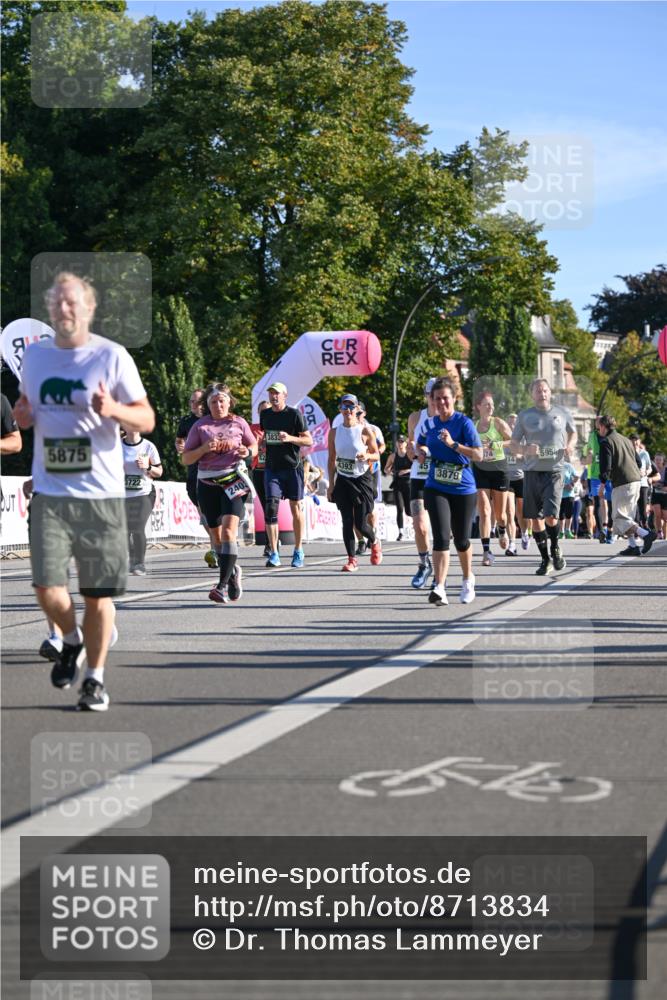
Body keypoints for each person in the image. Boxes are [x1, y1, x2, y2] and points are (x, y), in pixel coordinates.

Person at [14, 271, 154, 711]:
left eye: (72, 302)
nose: (64, 309)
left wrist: (112, 408)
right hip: (52, 493)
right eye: (57, 303)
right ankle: (70, 639)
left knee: (97, 593)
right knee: (47, 588)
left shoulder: (111, 357)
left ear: (89, 308)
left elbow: (145, 419)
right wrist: (22, 414)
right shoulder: (35, 359)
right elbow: (26, 411)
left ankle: (94, 678)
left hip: (101, 496)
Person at [182, 382, 257, 602]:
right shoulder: (200, 427)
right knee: (215, 537)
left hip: (234, 481)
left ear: (229, 402)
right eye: (213, 401)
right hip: (207, 484)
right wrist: (205, 449)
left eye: (222, 400)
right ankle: (233, 573)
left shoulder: (239, 423)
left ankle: (221, 586)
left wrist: (246, 451)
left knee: (228, 534)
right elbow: (186, 458)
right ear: (207, 405)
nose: (218, 404)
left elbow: (254, 447)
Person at [416, 377, 482, 606]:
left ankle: (467, 578)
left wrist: (453, 444)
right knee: (442, 538)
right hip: (436, 486)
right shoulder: (430, 424)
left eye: (445, 398)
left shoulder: (464, 424)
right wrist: (422, 451)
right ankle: (440, 587)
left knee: (462, 540)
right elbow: (420, 442)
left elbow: (479, 454)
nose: (441, 402)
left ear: (454, 399)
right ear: (432, 401)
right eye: (437, 399)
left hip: (463, 487)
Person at [510, 378, 577, 576]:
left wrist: (571, 445)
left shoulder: (562, 413)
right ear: (532, 394)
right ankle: (545, 559)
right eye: (538, 391)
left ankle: (555, 548)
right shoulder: (524, 416)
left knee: (550, 515)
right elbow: (513, 444)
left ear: (550, 393)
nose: (542, 393)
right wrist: (524, 448)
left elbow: (573, 433)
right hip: (532, 471)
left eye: (545, 390)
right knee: (536, 519)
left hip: (555, 470)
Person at [260, 381, 313, 568]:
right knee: (271, 507)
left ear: (284, 396)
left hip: (292, 468)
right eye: (271, 393)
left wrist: (290, 438)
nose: (273, 396)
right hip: (272, 468)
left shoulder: (294, 414)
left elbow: (308, 440)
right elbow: (265, 437)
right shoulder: (265, 415)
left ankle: (298, 549)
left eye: (277, 393)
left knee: (296, 507)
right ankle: (274, 552)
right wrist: (261, 444)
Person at [327, 393, 381, 572]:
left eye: (352, 407)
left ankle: (374, 541)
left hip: (362, 479)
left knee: (361, 524)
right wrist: (331, 485)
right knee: (346, 521)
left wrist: (367, 455)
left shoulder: (365, 431)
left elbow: (377, 454)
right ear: (340, 409)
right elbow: (331, 459)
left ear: (357, 409)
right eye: (345, 406)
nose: (348, 410)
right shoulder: (334, 432)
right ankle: (352, 559)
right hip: (343, 478)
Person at [597, 416, 656, 556]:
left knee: (618, 517)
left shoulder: (606, 442)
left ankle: (646, 534)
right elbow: (639, 462)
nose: (597, 430)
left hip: (623, 482)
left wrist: (602, 484)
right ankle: (633, 546)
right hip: (635, 481)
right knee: (627, 516)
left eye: (598, 426)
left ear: (603, 426)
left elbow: (606, 467)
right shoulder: (626, 440)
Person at [175, 388, 216, 567]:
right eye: (191, 401)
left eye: (197, 401)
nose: (194, 405)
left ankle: (217, 548)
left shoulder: (213, 419)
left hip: (213, 471)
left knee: (212, 511)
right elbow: (179, 440)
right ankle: (217, 542)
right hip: (194, 473)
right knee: (204, 513)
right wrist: (180, 445)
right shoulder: (186, 421)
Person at [472, 391, 512, 565]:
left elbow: (514, 441)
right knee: (484, 512)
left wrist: (497, 444)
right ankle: (486, 551)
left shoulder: (499, 423)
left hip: (499, 469)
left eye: (492, 404)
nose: (491, 407)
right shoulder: (473, 426)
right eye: (487, 404)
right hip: (480, 470)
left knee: (500, 514)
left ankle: (502, 530)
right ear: (478, 407)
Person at [407, 378, 437, 588]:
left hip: (441, 478)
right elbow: (410, 445)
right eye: (430, 396)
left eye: (438, 396)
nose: (434, 400)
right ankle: (424, 562)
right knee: (420, 526)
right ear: (426, 396)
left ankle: (441, 567)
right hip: (418, 477)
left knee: (440, 528)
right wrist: (412, 451)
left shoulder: (450, 420)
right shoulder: (416, 418)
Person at [121, 426, 163, 575]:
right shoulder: (116, 445)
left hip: (144, 493)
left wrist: (148, 466)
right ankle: (132, 559)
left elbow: (159, 472)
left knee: (137, 527)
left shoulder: (148, 446)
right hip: (122, 495)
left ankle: (139, 564)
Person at [355, 401, 385, 553]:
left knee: (370, 506)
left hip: (371, 471)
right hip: (353, 472)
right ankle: (360, 541)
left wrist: (373, 452)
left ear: (364, 414)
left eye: (359, 413)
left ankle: (372, 534)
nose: (356, 415)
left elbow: (382, 447)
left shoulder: (372, 429)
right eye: (355, 412)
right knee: (354, 507)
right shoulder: (348, 428)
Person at [505, 413, 529, 554]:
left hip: (520, 478)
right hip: (507, 479)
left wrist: (519, 456)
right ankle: (512, 544)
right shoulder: (503, 441)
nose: (512, 426)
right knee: (509, 511)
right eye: (510, 424)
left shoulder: (523, 440)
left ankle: (525, 533)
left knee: (521, 512)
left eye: (514, 424)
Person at [586, 418, 613, 544]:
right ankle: (601, 530)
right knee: (597, 502)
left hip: (609, 475)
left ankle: (610, 529)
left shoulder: (611, 436)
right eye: (597, 421)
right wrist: (588, 455)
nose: (599, 423)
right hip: (595, 476)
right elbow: (587, 453)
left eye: (601, 421)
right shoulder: (592, 436)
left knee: (610, 503)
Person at [250, 400, 271, 556]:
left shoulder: (277, 428)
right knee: (265, 506)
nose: (264, 414)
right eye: (262, 411)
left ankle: (272, 541)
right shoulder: (252, 429)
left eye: (267, 411)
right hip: (258, 470)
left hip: (274, 470)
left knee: (272, 505)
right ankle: (270, 541)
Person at [384, 435, 411, 540]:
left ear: (406, 443)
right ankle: (401, 532)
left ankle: (419, 521)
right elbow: (386, 469)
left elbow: (417, 468)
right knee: (399, 508)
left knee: (409, 511)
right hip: (397, 484)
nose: (400, 444)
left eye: (402, 442)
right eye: (398, 442)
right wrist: (389, 471)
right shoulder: (393, 456)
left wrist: (406, 471)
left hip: (408, 484)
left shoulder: (410, 455)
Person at [630, 434, 652, 528]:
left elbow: (650, 468)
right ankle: (636, 528)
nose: (635, 442)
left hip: (643, 483)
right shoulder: (628, 453)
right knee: (633, 507)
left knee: (642, 507)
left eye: (636, 440)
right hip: (632, 483)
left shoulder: (644, 453)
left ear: (639, 442)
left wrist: (646, 473)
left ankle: (645, 526)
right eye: (632, 440)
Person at [558, 460, 579, 539]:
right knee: (560, 514)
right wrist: (563, 486)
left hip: (569, 494)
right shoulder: (554, 466)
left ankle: (568, 530)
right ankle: (561, 532)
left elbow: (576, 476)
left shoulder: (568, 466)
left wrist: (571, 484)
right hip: (559, 494)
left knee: (569, 513)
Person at [650, 453, 667, 538]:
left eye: (659, 460)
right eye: (656, 460)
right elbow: (649, 481)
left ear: (663, 461)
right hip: (655, 494)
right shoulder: (652, 469)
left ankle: (665, 535)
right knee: (657, 514)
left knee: (665, 517)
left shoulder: (666, 469)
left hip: (665, 496)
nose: (658, 462)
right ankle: (659, 532)